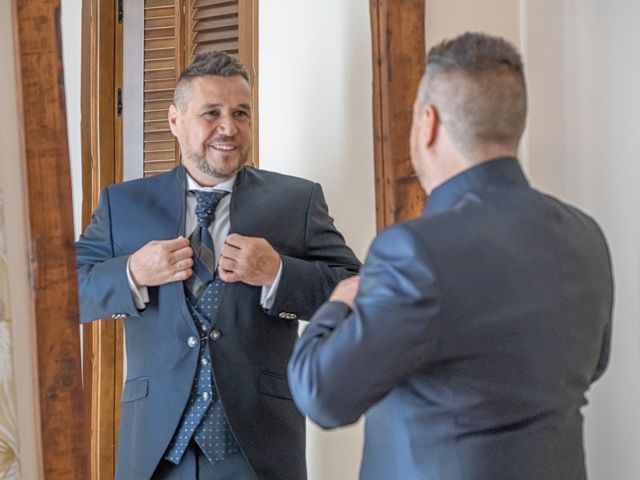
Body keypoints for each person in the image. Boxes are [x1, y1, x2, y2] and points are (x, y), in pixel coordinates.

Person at [288, 32, 613, 480]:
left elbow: (321, 394)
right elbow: (592, 366)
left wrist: (340, 302)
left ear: (429, 123)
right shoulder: (585, 235)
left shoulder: (413, 251)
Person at [76, 51, 360, 480]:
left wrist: (279, 273)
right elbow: (62, 296)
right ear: (175, 121)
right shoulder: (124, 204)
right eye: (212, 113)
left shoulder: (296, 202)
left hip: (259, 450)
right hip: (155, 451)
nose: (229, 128)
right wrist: (132, 272)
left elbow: (359, 289)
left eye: (241, 113)